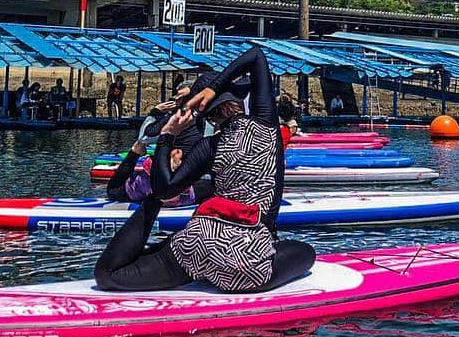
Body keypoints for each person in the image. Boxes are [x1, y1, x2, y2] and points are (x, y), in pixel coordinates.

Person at [94, 46, 315, 293]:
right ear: (237, 102)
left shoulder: (208, 146)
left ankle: (187, 261)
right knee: (307, 253)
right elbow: (256, 56)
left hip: (196, 245)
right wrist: (214, 87)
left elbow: (163, 190)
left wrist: (167, 136)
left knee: (109, 275)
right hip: (248, 263)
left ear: (207, 112)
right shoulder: (266, 125)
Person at [105, 123, 210, 207]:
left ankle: (135, 152)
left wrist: (156, 112)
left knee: (113, 191)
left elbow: (144, 138)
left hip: (154, 188)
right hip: (174, 191)